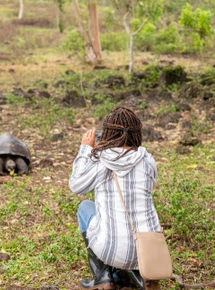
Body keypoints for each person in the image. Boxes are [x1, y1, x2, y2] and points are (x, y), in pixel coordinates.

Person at [69, 106, 162, 290]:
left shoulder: (101, 160)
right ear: (137, 133)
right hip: (149, 250)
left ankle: (102, 277)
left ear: (108, 133)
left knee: (86, 207)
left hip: (111, 250)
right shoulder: (147, 160)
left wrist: (85, 149)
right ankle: (139, 275)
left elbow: (76, 185)